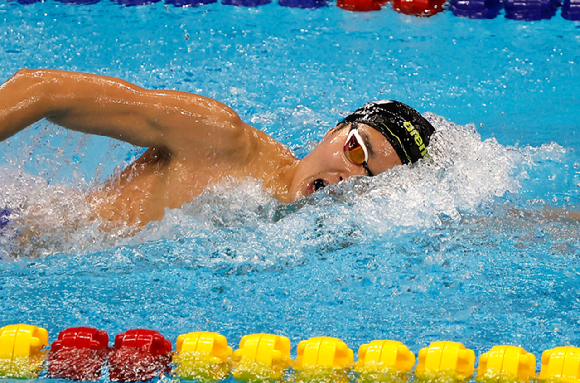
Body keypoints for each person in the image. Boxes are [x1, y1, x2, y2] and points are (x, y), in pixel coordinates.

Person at [0, 69, 435, 227]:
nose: (349, 180)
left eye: (372, 182)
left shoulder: (320, 234)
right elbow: (43, 89)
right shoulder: (218, 137)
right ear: (334, 130)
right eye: (357, 153)